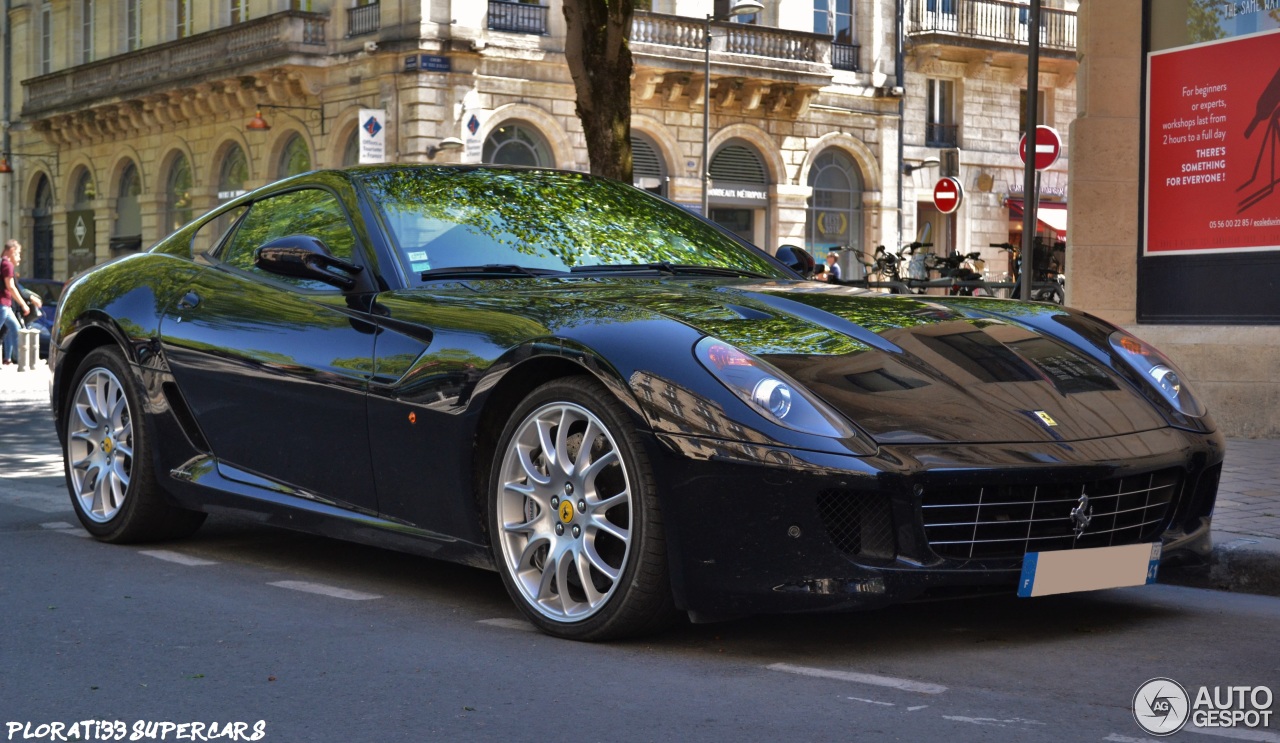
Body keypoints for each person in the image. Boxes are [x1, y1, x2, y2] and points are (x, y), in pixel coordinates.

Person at [2, 240, 40, 366]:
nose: (19, 257)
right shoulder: (7, 265)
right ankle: (20, 361)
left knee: (15, 328)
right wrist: (23, 304)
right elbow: (11, 287)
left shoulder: (3, 263)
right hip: (2, 304)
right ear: (12, 251)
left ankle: (17, 360)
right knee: (14, 329)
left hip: (5, 306)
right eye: (18, 253)